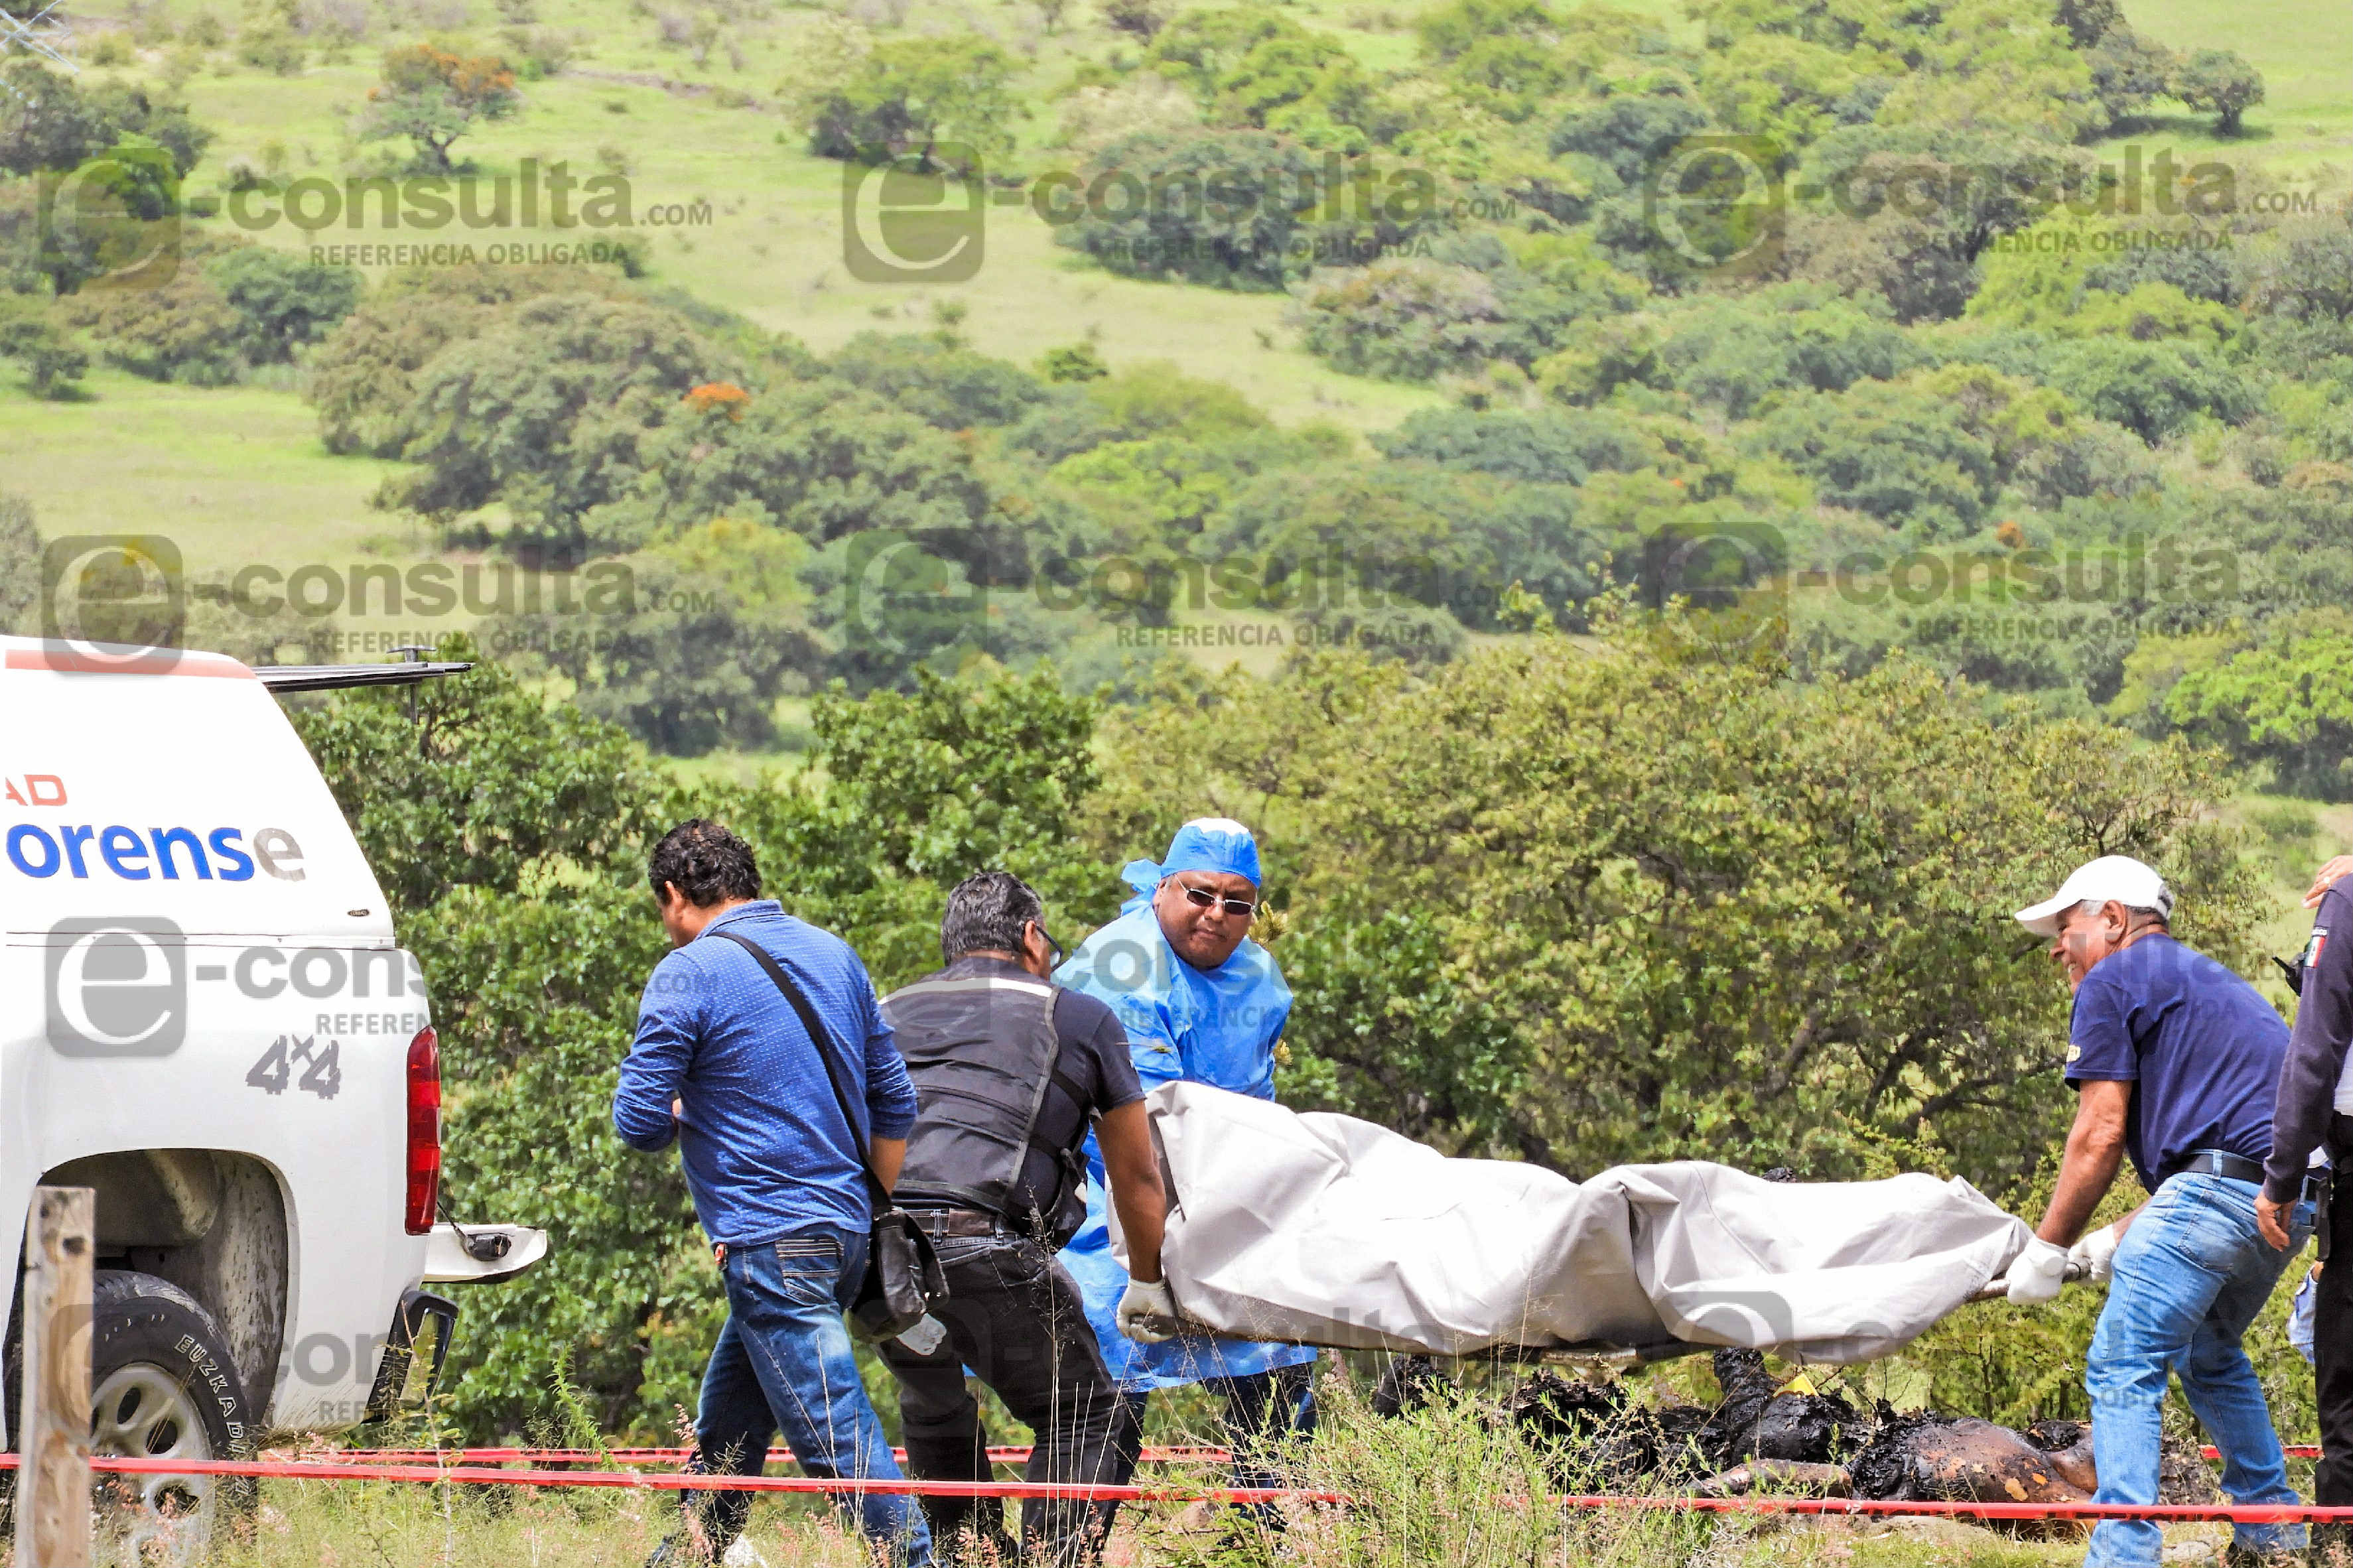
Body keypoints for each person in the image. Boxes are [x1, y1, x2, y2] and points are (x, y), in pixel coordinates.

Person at [613, 820, 931, 1568]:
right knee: (729, 1421)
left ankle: (919, 1561)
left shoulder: (688, 970)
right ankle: (689, 1555)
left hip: (771, 1243)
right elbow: (896, 1105)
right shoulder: (833, 954)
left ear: (672, 895)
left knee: (834, 1434)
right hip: (848, 1234)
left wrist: (687, 1112)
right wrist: (862, 1210)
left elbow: (637, 1123)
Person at [2007, 854, 2315, 1568]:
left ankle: (2123, 1553)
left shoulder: (2115, 976)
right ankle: (2272, 1537)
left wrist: (2046, 1248)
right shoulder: (2206, 981)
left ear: (2113, 919)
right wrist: (2105, 1241)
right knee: (2207, 1353)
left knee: (2122, 1361)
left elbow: (2099, 1134)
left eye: (2066, 926)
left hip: (2222, 1195)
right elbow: (2226, 1151)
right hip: (2290, 1202)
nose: (2056, 946)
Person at [875, 872, 1170, 1567]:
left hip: (881, 1266)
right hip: (986, 1249)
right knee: (1092, 1412)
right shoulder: (1081, 1016)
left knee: (935, 1403)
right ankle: (1052, 1561)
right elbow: (1136, 1175)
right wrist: (1151, 1283)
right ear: (1032, 938)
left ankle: (965, 1556)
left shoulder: (885, 1009)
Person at [1052, 818, 1317, 1520]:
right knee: (1108, 1405)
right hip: (1113, 1203)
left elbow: (1257, 1103)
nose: (1216, 916)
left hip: (1228, 1192)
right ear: (1165, 887)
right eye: (1201, 895)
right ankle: (1065, 1553)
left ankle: (1268, 1543)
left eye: (1238, 903)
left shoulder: (1258, 974)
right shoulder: (1121, 971)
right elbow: (1144, 1134)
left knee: (1275, 1381)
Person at [2258, 860, 2353, 1544]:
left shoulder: (2347, 900)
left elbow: (2313, 1048)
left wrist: (2282, 1176)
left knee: (2345, 1374)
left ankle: (2338, 1540)